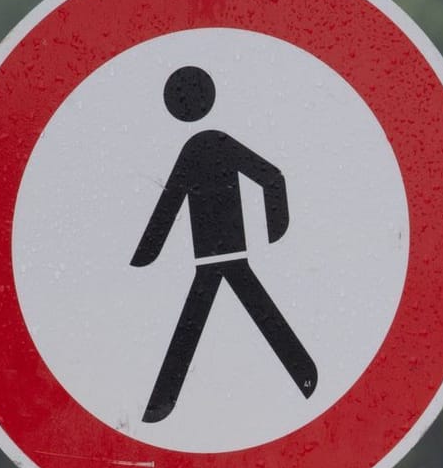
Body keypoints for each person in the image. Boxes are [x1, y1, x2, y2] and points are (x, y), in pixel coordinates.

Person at [130, 65, 316, 424]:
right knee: (229, 310)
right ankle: (305, 374)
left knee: (200, 316)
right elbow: (271, 178)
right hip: (219, 252)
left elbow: (169, 203)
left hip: (219, 251)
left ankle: (161, 402)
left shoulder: (205, 145)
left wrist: (147, 253)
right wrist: (273, 226)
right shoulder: (210, 144)